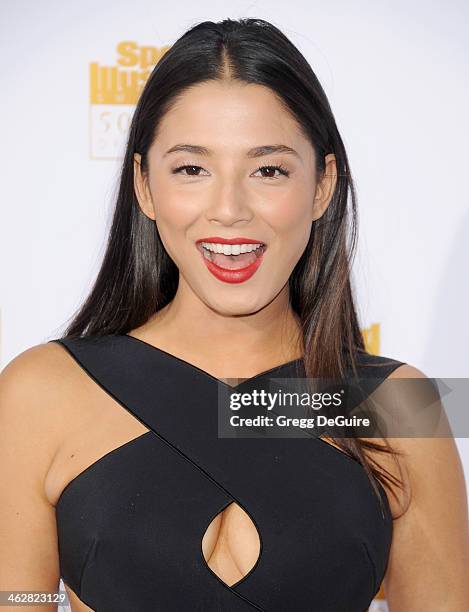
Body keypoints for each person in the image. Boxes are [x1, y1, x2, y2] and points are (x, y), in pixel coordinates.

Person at [1, 17, 468, 612]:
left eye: (268, 169)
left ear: (322, 184)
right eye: (191, 169)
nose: (228, 209)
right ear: (144, 186)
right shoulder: (40, 391)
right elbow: (17, 598)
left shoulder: (399, 403)